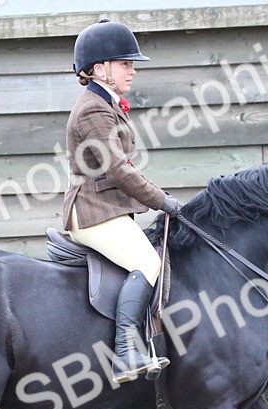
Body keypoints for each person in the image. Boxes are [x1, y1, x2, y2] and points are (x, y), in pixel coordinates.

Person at [62, 18, 182, 383]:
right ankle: (127, 353)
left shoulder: (106, 104)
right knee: (147, 261)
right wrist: (163, 201)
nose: (132, 71)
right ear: (99, 69)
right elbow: (118, 171)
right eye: (125, 63)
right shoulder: (93, 110)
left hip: (109, 209)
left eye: (131, 64)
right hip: (92, 211)